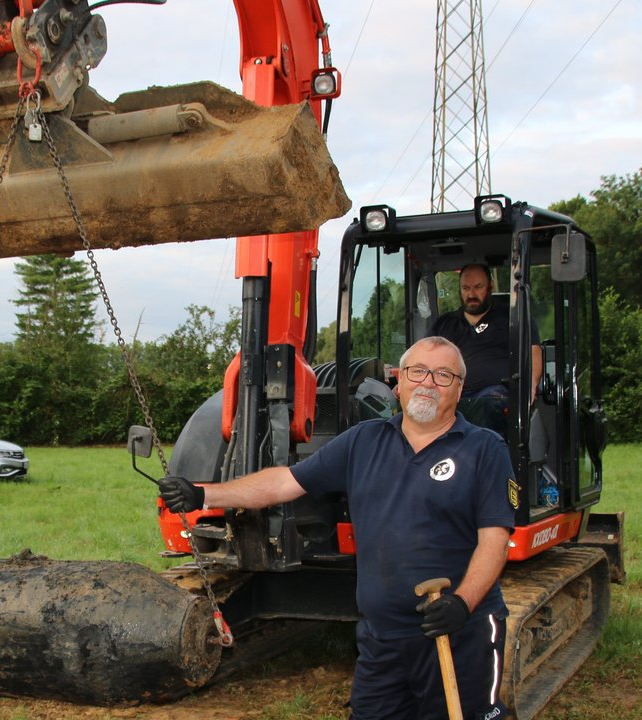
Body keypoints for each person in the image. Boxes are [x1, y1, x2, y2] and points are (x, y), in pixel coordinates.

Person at [160, 336, 515, 719]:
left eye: (443, 375)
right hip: (382, 640)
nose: (428, 382)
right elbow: (284, 482)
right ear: (399, 382)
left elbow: (494, 540)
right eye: (418, 371)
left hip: (459, 634)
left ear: (459, 389)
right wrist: (204, 495)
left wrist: (463, 603)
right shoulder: (364, 441)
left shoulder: (484, 449)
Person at [429, 264, 542, 431]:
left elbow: (533, 351)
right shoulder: (444, 324)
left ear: (491, 286)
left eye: (478, 287)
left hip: (496, 395)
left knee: (489, 403)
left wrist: (530, 385)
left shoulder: (513, 319)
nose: (471, 294)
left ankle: (487, 455)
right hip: (450, 393)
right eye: (466, 288)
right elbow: (423, 355)